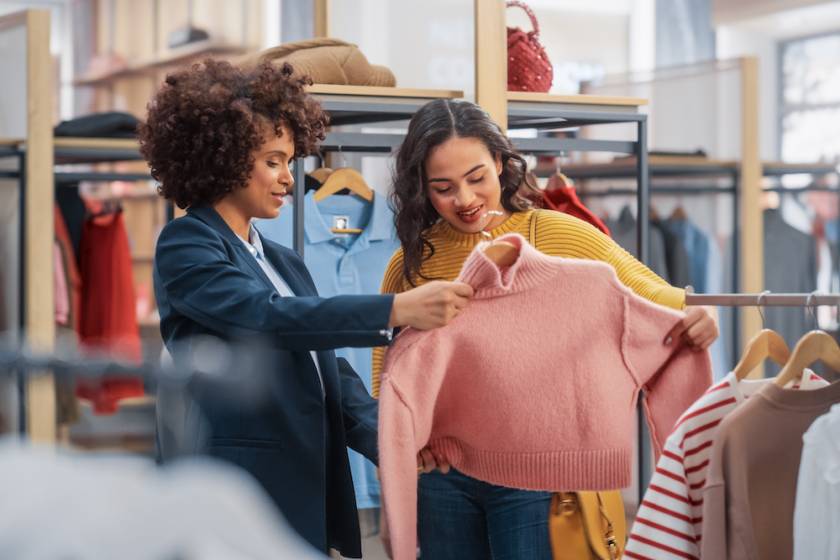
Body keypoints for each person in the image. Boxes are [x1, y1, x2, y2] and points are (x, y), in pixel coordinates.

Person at [140, 60, 470, 558]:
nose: (289, 180)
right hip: (238, 489)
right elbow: (266, 318)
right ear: (223, 158)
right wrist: (394, 309)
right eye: (274, 161)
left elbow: (324, 366)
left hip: (300, 484)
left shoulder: (281, 259)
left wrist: (394, 439)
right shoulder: (187, 243)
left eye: (290, 162)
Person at [372, 99, 719, 559]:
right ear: (423, 189)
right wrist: (408, 447)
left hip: (535, 476)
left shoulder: (559, 234)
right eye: (444, 187)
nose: (466, 200)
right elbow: (387, 371)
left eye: (477, 178)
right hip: (443, 477)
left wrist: (699, 316)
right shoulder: (412, 263)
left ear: (499, 162)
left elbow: (657, 298)